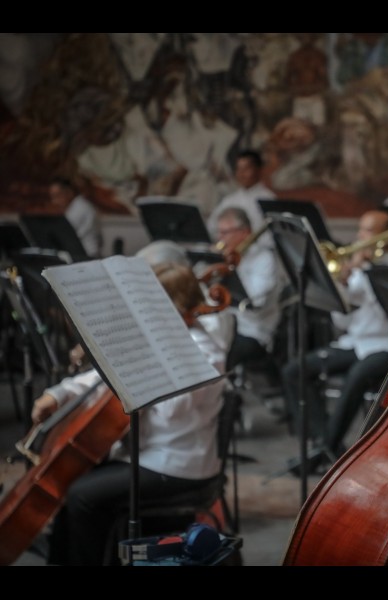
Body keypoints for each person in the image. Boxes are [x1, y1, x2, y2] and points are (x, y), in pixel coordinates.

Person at [31, 261, 228, 565]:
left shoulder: (205, 352)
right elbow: (98, 379)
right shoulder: (157, 341)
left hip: (177, 465)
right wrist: (57, 395)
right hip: (144, 455)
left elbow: (172, 409)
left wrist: (140, 368)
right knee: (72, 481)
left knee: (83, 495)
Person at [282, 208, 388, 472]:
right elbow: (341, 324)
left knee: (357, 375)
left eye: (368, 231)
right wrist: (342, 285)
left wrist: (370, 271)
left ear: (387, 236)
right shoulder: (356, 269)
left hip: (387, 345)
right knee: (294, 371)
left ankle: (326, 449)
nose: (360, 237)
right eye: (361, 229)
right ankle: (324, 443)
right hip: (356, 343)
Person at [213, 207, 287, 381]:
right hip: (227, 323)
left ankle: (223, 391)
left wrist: (231, 270)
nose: (220, 238)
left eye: (225, 233)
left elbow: (255, 302)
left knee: (223, 355)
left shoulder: (264, 258)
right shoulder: (224, 256)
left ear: (244, 232)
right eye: (219, 232)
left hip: (253, 329)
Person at [207, 149, 276, 241]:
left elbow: (270, 235)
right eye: (238, 169)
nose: (241, 174)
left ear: (258, 170)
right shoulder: (230, 199)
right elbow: (211, 226)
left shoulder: (268, 199)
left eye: (246, 169)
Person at [48, 177, 102, 258]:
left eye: (57, 195)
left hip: (86, 256)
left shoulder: (80, 207)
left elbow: (62, 234)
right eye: (52, 197)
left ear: (69, 192)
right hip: (79, 254)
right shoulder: (74, 206)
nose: (54, 201)